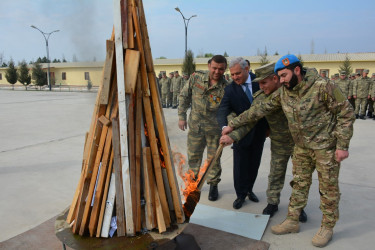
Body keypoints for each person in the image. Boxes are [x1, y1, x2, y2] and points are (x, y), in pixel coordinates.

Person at [222, 54, 355, 247]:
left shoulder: (322, 86)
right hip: (300, 147)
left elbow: (346, 113)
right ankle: (292, 220)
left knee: (328, 189)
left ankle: (327, 226)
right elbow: (256, 112)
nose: (281, 80)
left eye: (284, 75)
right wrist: (231, 125)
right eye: (279, 77)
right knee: (299, 184)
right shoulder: (284, 91)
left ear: (297, 71)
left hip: (324, 148)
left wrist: (342, 145)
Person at [220, 63, 306, 222]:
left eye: (263, 82)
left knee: (301, 176)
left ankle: (299, 207)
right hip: (279, 142)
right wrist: (233, 134)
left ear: (275, 79)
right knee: (276, 173)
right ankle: (273, 203)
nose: (259, 86)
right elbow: (250, 118)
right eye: (258, 83)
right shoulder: (261, 97)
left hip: (300, 142)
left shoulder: (294, 91)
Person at [217, 57, 268, 209]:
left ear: (247, 69)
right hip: (240, 135)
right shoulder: (230, 89)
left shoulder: (260, 82)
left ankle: (249, 190)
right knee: (240, 167)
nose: (234, 77)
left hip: (260, 132)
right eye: (232, 74)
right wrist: (224, 127)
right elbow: (222, 110)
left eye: (237, 73)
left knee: (254, 164)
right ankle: (240, 195)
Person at [178, 55, 229, 201]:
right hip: (196, 127)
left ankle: (213, 185)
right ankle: (192, 185)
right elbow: (184, 96)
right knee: (193, 157)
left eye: (221, 69)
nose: (217, 71)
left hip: (214, 130)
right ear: (209, 66)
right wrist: (181, 116)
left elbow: (227, 109)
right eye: (214, 68)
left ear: (225, 69)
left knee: (213, 159)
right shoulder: (196, 78)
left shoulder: (226, 87)